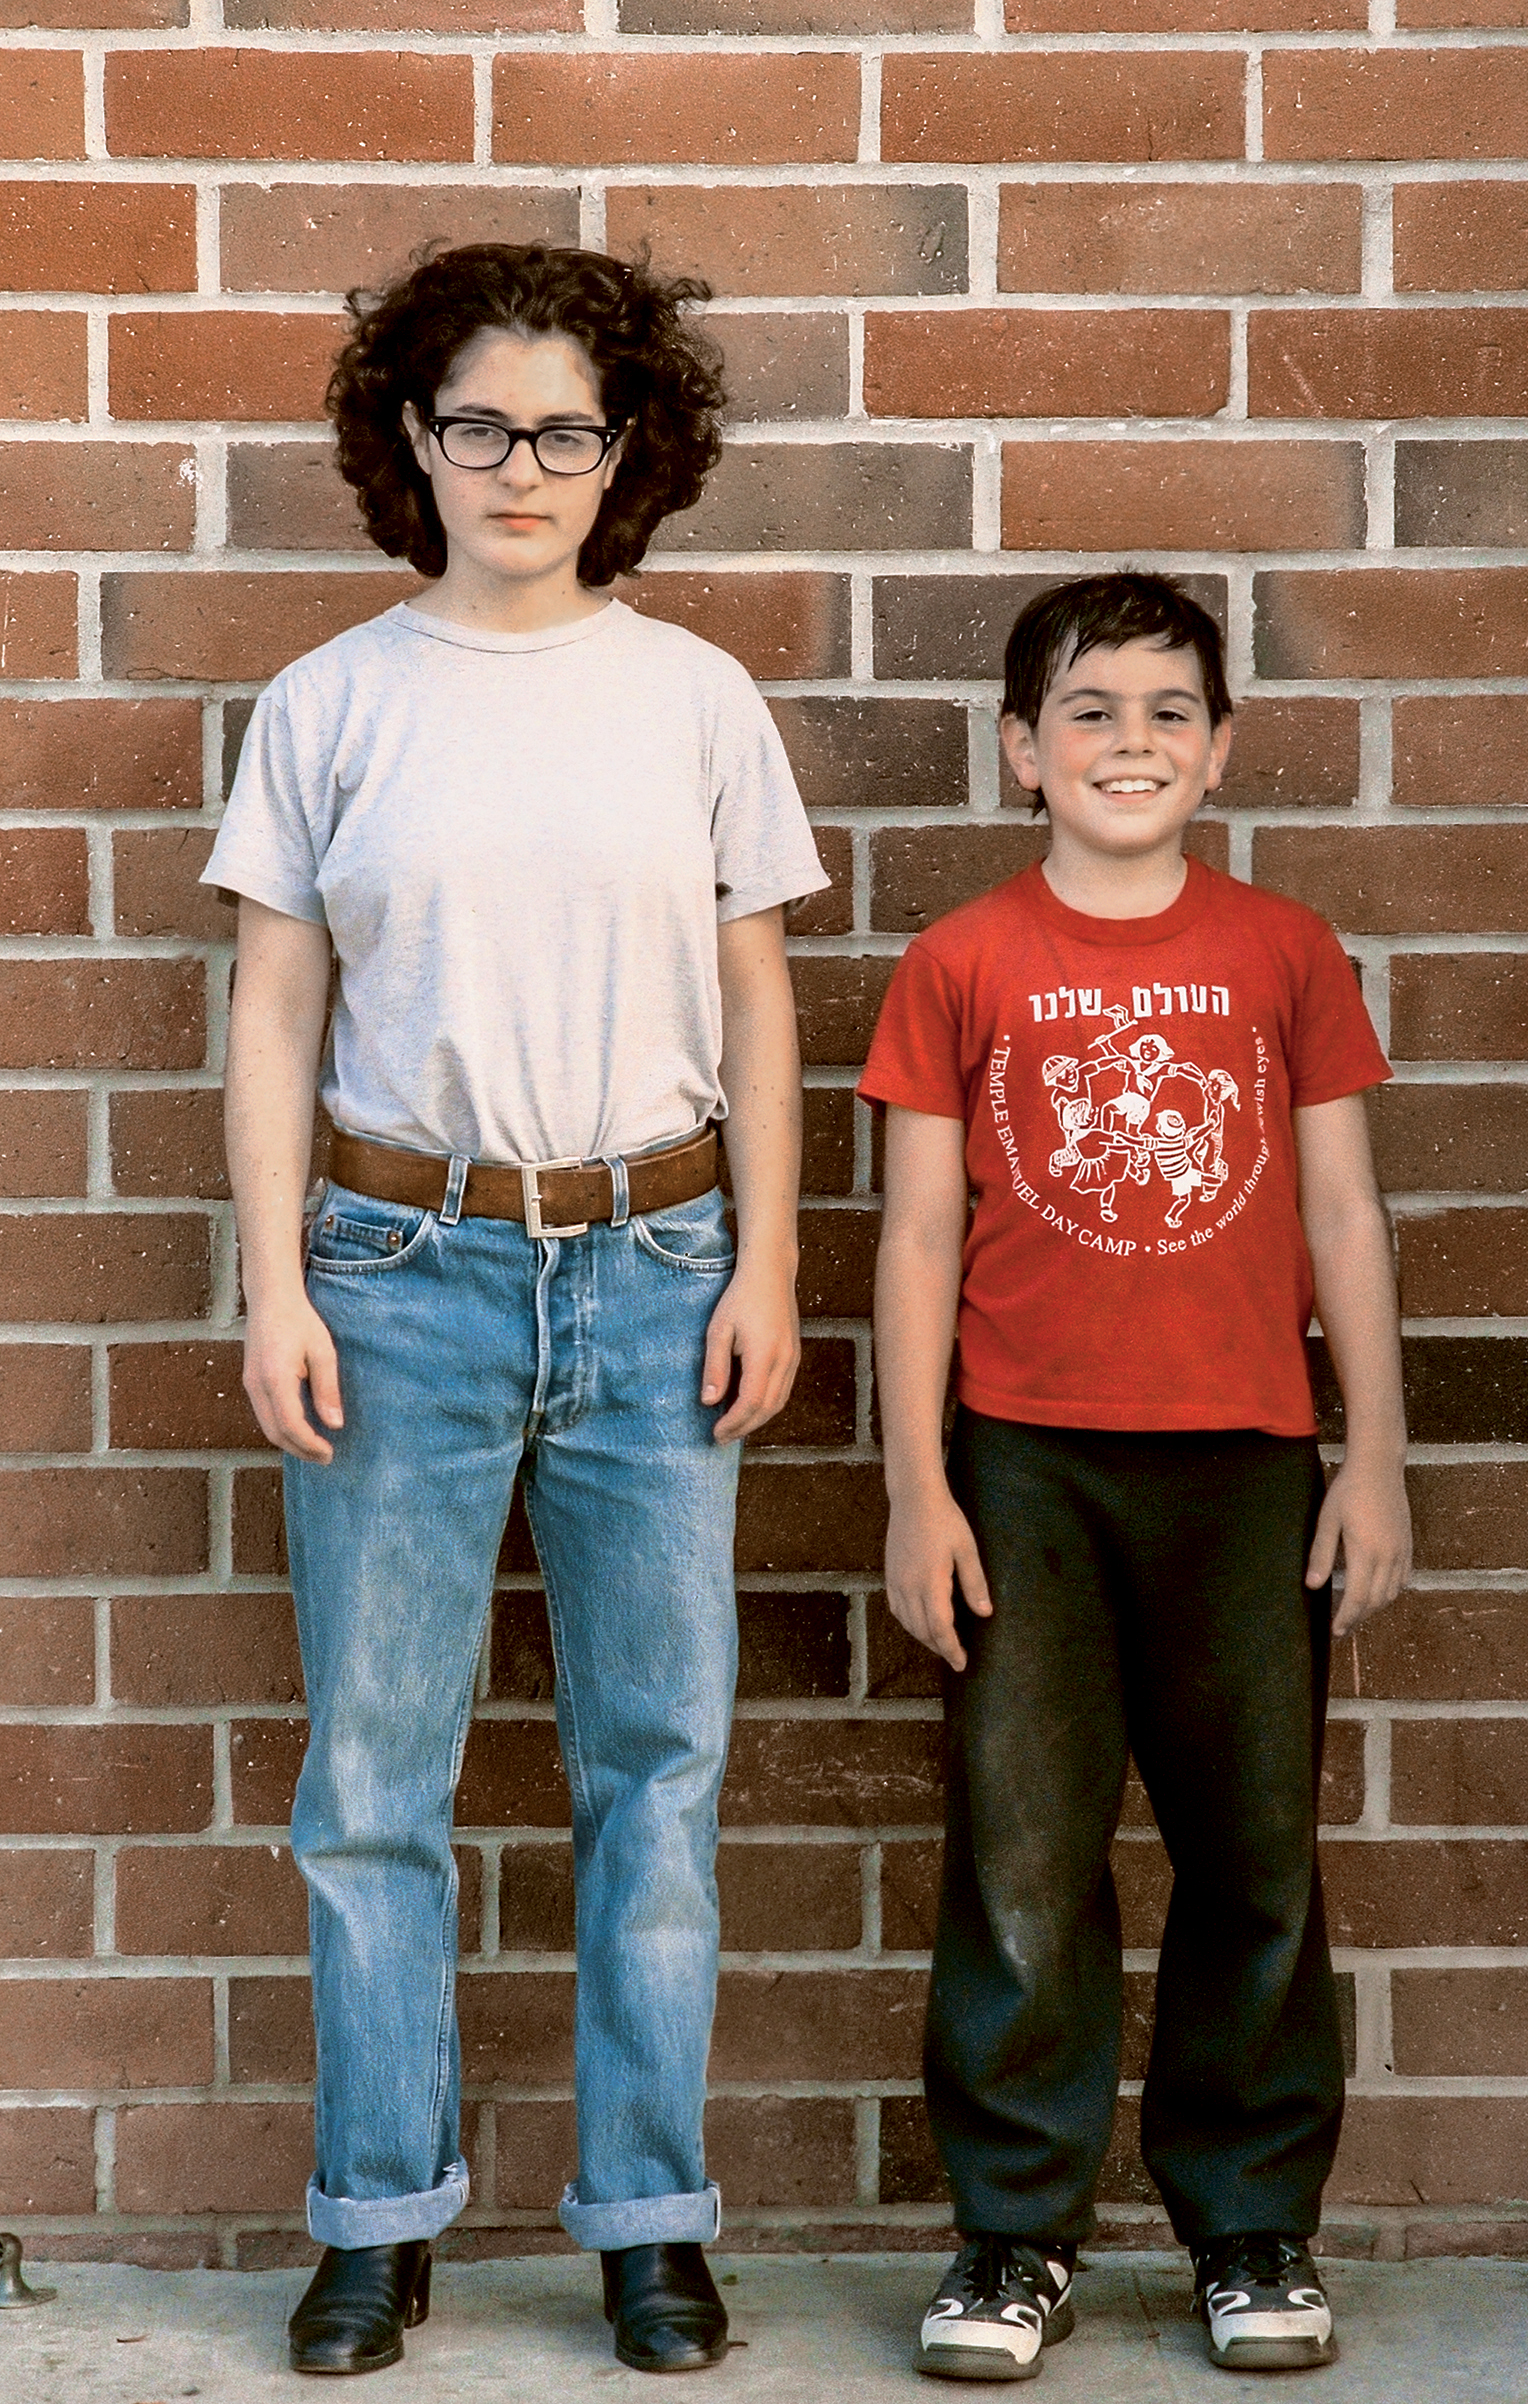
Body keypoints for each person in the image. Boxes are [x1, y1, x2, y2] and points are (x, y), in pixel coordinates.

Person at [203, 242, 825, 2379]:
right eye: (479, 422)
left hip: (657, 1271)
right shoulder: (335, 700)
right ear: (410, 439)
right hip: (401, 1275)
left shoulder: (695, 696)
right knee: (376, 1774)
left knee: (659, 1758)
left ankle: (649, 2218)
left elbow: (758, 994)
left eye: (568, 425)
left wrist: (776, 1255)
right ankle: (379, 2214)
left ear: (630, 445)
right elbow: (277, 1005)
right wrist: (276, 1278)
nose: (523, 464)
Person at [859, 573, 1411, 2381]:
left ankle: (1252, 2226)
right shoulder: (962, 960)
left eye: (1171, 710)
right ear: (1022, 749)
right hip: (1024, 1470)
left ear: (1223, 746)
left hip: (1248, 1467)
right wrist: (916, 1488)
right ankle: (1013, 2238)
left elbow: (1342, 1209)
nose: (1131, 743)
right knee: (1022, 1862)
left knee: (1256, 1852)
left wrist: (1374, 1460)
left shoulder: (1285, 950)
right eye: (1089, 710)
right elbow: (921, 1238)